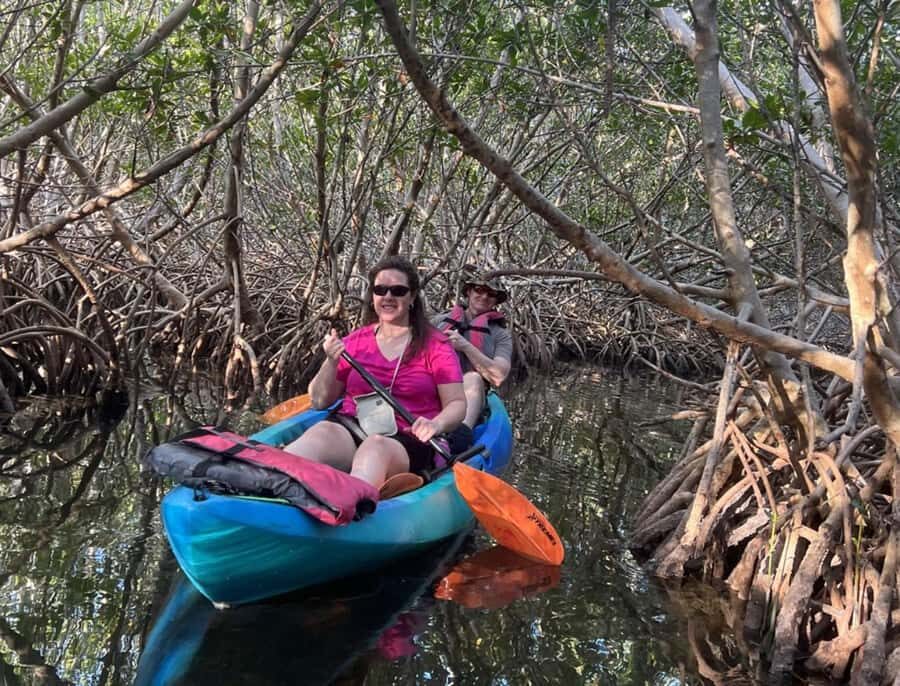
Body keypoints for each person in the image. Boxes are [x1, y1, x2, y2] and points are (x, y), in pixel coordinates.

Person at [284, 256, 469, 490]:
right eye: (380, 290)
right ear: (373, 296)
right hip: (354, 425)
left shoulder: (436, 346)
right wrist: (331, 362)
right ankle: (270, 483)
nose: (388, 296)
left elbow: (457, 404)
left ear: (412, 298)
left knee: (375, 447)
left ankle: (350, 505)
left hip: (409, 436)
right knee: (322, 431)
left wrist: (436, 425)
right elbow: (319, 400)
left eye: (398, 290)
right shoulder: (354, 343)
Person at [432, 274, 513, 428]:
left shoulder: (501, 335)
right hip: (435, 388)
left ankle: (461, 434)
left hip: (469, 395)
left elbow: (498, 376)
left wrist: (465, 346)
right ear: (469, 292)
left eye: (491, 294)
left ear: (496, 301)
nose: (484, 296)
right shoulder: (439, 321)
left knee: (473, 379)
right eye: (479, 290)